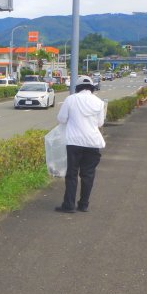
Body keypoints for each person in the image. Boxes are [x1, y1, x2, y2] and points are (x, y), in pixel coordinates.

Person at [55, 75, 106, 213]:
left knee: (72, 174)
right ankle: (83, 205)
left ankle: (69, 205)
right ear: (92, 88)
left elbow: (61, 119)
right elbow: (100, 123)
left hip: (74, 142)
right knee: (88, 174)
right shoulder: (99, 102)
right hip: (92, 142)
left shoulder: (71, 99)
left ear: (77, 88)